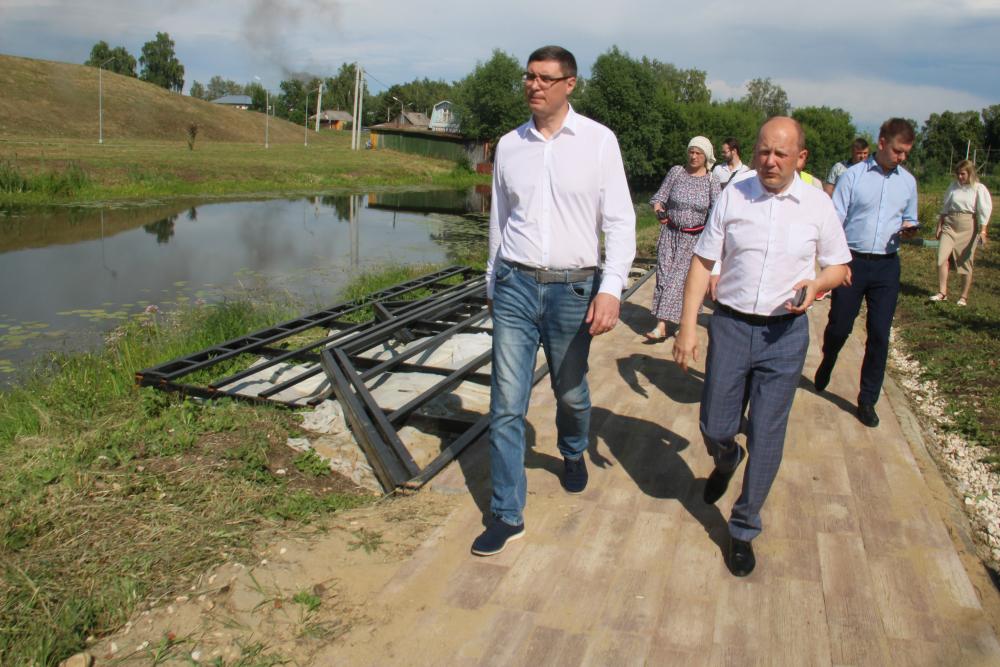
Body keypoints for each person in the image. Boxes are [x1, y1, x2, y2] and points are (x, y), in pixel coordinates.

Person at [473, 45, 636, 556]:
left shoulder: (598, 142)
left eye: (545, 78)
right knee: (505, 403)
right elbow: (500, 219)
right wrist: (491, 279)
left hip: (574, 289)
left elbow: (620, 222)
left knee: (571, 393)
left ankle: (571, 450)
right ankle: (506, 513)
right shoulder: (509, 145)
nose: (534, 86)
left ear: (569, 84)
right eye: (529, 77)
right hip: (516, 285)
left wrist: (611, 289)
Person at [673, 117, 850, 577]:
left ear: (801, 159)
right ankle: (727, 457)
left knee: (769, 435)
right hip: (730, 326)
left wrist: (816, 285)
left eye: (781, 154)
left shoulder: (817, 206)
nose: (769, 161)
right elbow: (702, 262)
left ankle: (744, 526)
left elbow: (839, 267)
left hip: (784, 336)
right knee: (715, 424)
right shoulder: (734, 194)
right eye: (763, 151)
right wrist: (687, 328)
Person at [814, 118, 919, 428]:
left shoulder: (908, 182)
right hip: (852, 262)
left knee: (879, 334)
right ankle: (829, 356)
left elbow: (910, 217)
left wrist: (910, 229)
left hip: (887, 265)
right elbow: (835, 222)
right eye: (898, 151)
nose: (902, 158)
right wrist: (837, 263)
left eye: (906, 153)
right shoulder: (853, 177)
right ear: (882, 143)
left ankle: (867, 399)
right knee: (839, 326)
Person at [645, 137, 721, 340]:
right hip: (670, 234)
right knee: (663, 275)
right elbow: (659, 197)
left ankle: (676, 323)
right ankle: (664, 323)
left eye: (698, 153)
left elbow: (717, 211)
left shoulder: (711, 181)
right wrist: (659, 210)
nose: (694, 156)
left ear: (706, 156)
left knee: (682, 281)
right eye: (691, 152)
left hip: (694, 239)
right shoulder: (676, 172)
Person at [929, 159, 992, 306]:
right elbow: (946, 207)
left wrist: (983, 230)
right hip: (950, 224)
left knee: (965, 261)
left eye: (962, 174)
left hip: (967, 225)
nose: (959, 177)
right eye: (957, 174)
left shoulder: (978, 188)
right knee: (942, 257)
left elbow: (984, 210)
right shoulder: (953, 187)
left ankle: (963, 296)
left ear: (970, 173)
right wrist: (940, 224)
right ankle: (942, 292)